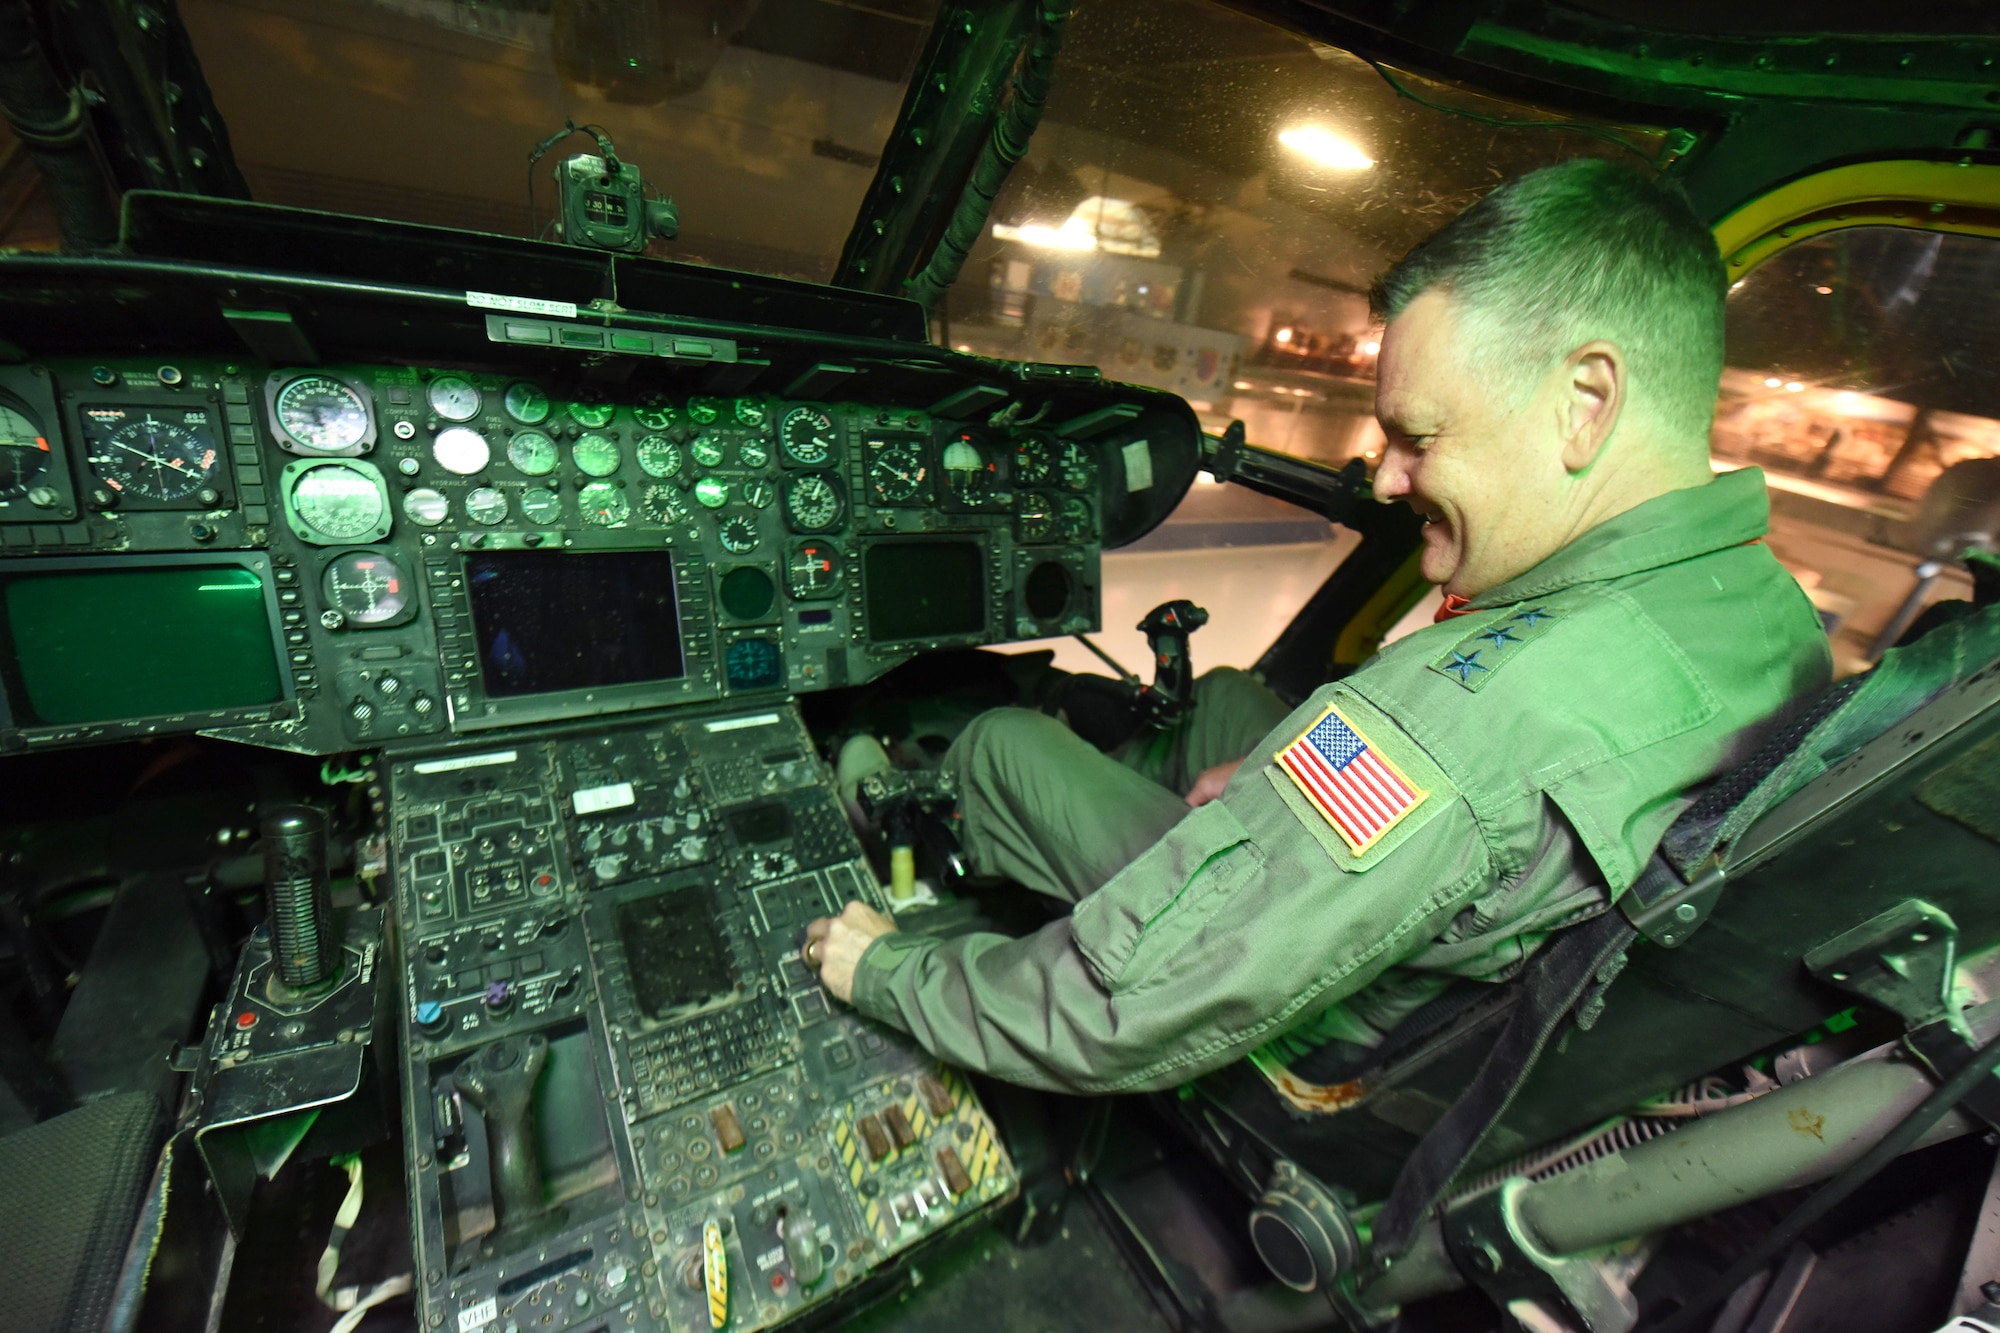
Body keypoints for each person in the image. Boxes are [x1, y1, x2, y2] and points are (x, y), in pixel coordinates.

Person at [802, 158, 1833, 1094]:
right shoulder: (1756, 602)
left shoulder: (1463, 724)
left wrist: (890, 970)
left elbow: (1116, 1009)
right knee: (1221, 706)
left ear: (1584, 402)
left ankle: (892, 806)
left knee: (999, 745)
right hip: (1421, 933)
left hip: (1303, 1019)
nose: (1384, 480)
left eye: (1415, 438)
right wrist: (1271, 799)